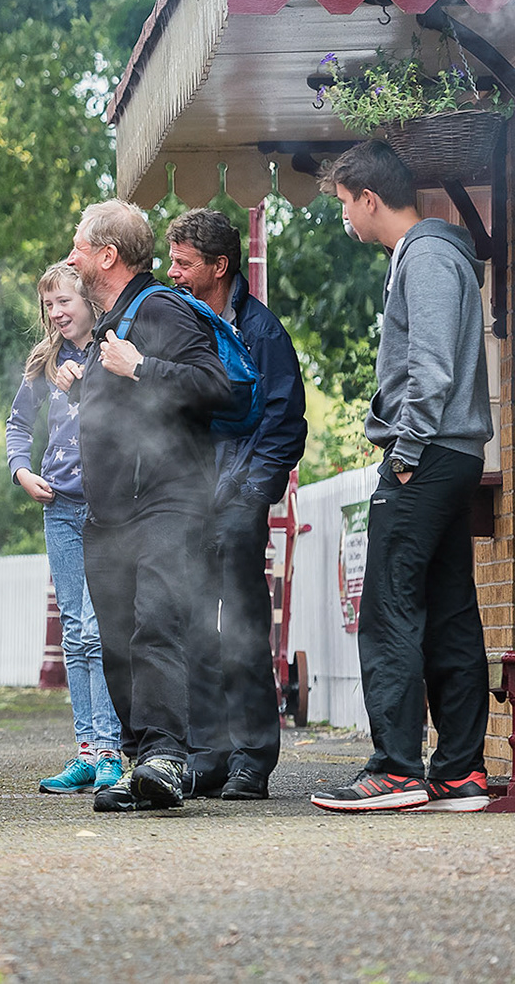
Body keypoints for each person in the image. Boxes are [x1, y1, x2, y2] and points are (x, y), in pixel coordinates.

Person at [311, 141, 493, 814]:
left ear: (368, 197)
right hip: (452, 452)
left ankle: (394, 768)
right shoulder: (429, 255)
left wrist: (407, 448)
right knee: (448, 609)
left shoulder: (427, 255)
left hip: (429, 450)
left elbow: (433, 364)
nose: (344, 221)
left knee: (388, 607)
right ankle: (459, 774)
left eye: (343, 206)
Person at [65, 201, 233, 811]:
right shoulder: (110, 318)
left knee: (157, 626)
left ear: (107, 255)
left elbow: (215, 386)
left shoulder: (159, 308)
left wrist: (144, 367)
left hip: (167, 502)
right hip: (108, 513)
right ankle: (141, 767)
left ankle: (166, 757)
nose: (71, 257)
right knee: (117, 641)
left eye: (79, 246)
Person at [166, 209, 308, 801]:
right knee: (194, 629)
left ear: (218, 267)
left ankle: (253, 759)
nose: (172, 273)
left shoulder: (263, 333)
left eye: (184, 263)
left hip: (239, 502)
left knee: (245, 631)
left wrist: (251, 496)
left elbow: (283, 426)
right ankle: (208, 755)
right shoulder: (178, 323)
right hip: (187, 502)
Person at [5, 263, 123, 795]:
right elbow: (17, 424)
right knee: (74, 631)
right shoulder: (44, 362)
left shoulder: (109, 351)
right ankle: (84, 749)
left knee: (99, 632)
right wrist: (21, 470)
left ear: (89, 303)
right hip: (59, 508)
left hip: (106, 509)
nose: (56, 314)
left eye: (65, 303)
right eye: (48, 305)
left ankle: (110, 749)